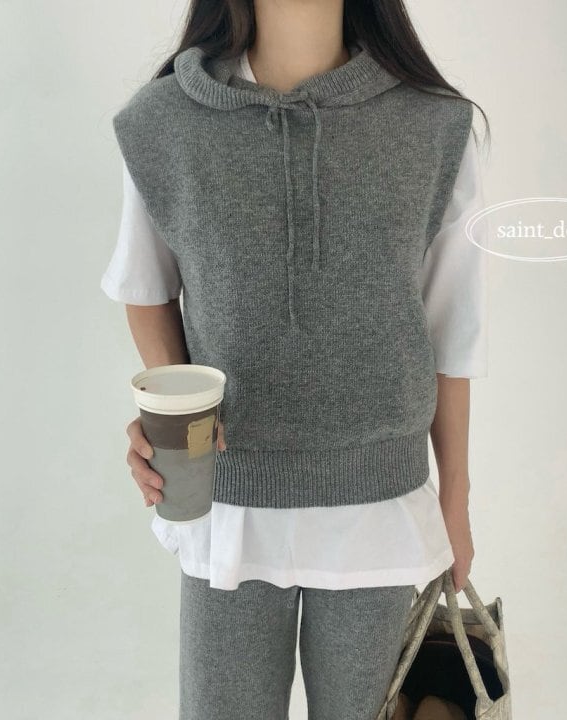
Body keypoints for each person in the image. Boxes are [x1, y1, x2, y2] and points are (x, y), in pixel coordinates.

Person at [102, 1, 490, 718]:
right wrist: (170, 417)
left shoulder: (435, 125)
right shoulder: (164, 121)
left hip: (377, 506)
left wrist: (455, 501)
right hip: (228, 500)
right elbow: (145, 289)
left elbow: (452, 328)